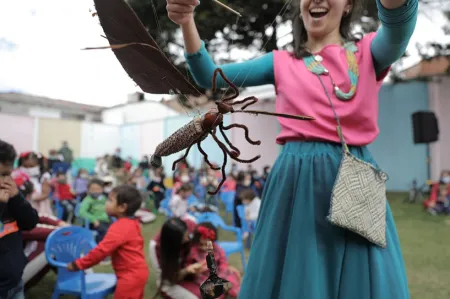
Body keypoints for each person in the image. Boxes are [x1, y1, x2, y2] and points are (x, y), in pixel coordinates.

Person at [167, 0, 418, 297]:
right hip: (295, 183)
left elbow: (398, 27)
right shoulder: (281, 62)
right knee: (299, 275)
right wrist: (186, 21)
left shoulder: (368, 52)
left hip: (354, 176)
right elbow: (209, 74)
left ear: (348, 5)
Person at [67, 185, 149, 299]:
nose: (106, 203)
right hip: (138, 272)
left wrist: (78, 264)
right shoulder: (132, 223)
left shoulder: (120, 227)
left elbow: (101, 251)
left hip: (130, 277)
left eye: (110, 200)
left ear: (122, 207)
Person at [0, 139, 39, 299]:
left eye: (8, 174)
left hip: (15, 282)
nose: (5, 181)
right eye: (1, 174)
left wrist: (17, 198)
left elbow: (30, 223)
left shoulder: (10, 193)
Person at [185, 222, 241, 299]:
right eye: (201, 244)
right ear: (196, 241)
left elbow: (223, 262)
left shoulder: (216, 249)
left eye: (207, 244)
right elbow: (188, 265)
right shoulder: (193, 251)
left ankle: (232, 294)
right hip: (202, 277)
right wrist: (194, 270)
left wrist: (223, 270)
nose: (204, 248)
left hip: (219, 274)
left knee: (231, 279)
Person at [149, 218, 199, 299]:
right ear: (173, 241)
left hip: (187, 272)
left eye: (188, 234)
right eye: (184, 238)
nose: (188, 239)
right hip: (169, 281)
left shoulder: (189, 224)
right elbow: (167, 279)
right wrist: (186, 270)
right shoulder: (156, 247)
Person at [78, 179, 111, 243]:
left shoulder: (103, 198)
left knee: (115, 231)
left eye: (98, 189)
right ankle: (100, 248)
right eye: (93, 189)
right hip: (94, 223)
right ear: (88, 190)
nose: (96, 191)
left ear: (102, 189)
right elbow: (82, 212)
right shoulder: (88, 200)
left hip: (106, 220)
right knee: (105, 232)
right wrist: (93, 219)